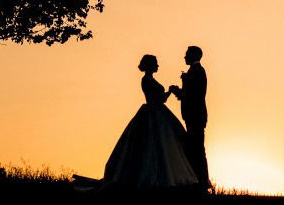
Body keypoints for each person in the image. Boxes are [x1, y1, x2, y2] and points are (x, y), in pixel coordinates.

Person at [73, 54, 197, 191]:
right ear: (150, 65)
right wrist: (170, 91)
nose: (158, 65)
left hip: (157, 113)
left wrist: (169, 92)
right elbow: (158, 99)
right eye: (155, 63)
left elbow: (159, 98)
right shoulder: (146, 80)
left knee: (159, 145)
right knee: (152, 145)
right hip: (154, 112)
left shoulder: (150, 79)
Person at [169, 45, 210, 188]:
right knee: (194, 149)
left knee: (197, 149)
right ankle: (197, 181)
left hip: (196, 116)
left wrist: (178, 90)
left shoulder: (198, 71)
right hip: (192, 115)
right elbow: (189, 95)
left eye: (186, 54)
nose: (184, 57)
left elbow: (193, 95)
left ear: (193, 55)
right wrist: (178, 91)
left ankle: (201, 182)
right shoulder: (194, 71)